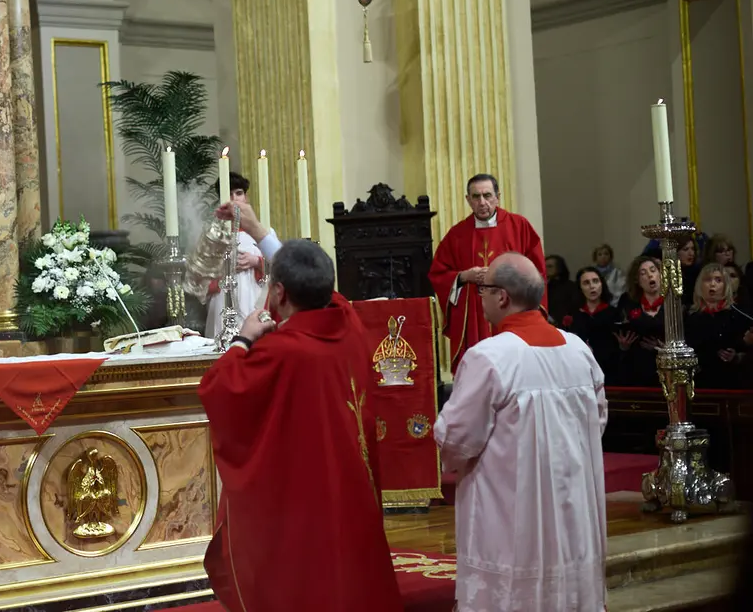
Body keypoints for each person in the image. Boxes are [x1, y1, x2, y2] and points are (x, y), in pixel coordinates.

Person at [200, 240, 402, 611]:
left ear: (278, 292)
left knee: (311, 579)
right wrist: (264, 234)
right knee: (350, 571)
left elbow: (218, 388)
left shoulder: (281, 350)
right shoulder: (351, 330)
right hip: (350, 486)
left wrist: (244, 337)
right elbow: (331, 295)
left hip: (305, 495)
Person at [434, 252, 607, 612]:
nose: (479, 296)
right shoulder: (579, 350)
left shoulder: (489, 357)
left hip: (511, 510)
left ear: (502, 297)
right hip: (573, 506)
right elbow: (598, 421)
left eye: (482, 289)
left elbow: (457, 437)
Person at [429, 174, 547, 372]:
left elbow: (537, 273)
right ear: (468, 200)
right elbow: (438, 274)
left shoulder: (519, 227)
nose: (482, 202)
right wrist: (465, 276)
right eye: (476, 197)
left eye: (487, 195)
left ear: (497, 196)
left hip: (511, 307)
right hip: (475, 311)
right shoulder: (457, 235)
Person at [192, 173, 266, 338]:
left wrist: (256, 261)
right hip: (222, 302)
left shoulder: (260, 232)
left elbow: (279, 267)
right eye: (228, 194)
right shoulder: (212, 235)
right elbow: (198, 280)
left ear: (246, 197)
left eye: (238, 193)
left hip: (255, 299)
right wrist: (222, 269)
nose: (234, 199)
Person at [685, 263, 750, 389]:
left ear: (725, 285)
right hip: (701, 383)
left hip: (732, 382)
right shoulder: (690, 318)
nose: (712, 284)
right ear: (700, 285)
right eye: (708, 280)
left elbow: (745, 350)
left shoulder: (736, 316)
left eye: (718, 280)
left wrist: (736, 357)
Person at [565, 266, 623, 380]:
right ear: (580, 288)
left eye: (595, 281)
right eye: (586, 283)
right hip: (580, 371)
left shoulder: (614, 313)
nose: (592, 286)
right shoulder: (573, 315)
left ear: (602, 284)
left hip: (610, 370)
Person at [617, 256, 666, 385]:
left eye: (653, 270)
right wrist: (623, 346)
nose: (650, 275)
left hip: (666, 370)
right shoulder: (629, 303)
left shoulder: (674, 304)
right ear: (638, 281)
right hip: (637, 367)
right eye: (643, 273)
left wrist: (663, 348)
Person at [546, 255, 583, 326]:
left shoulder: (571, 286)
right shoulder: (544, 287)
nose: (546, 269)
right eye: (545, 266)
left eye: (550, 266)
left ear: (559, 267)